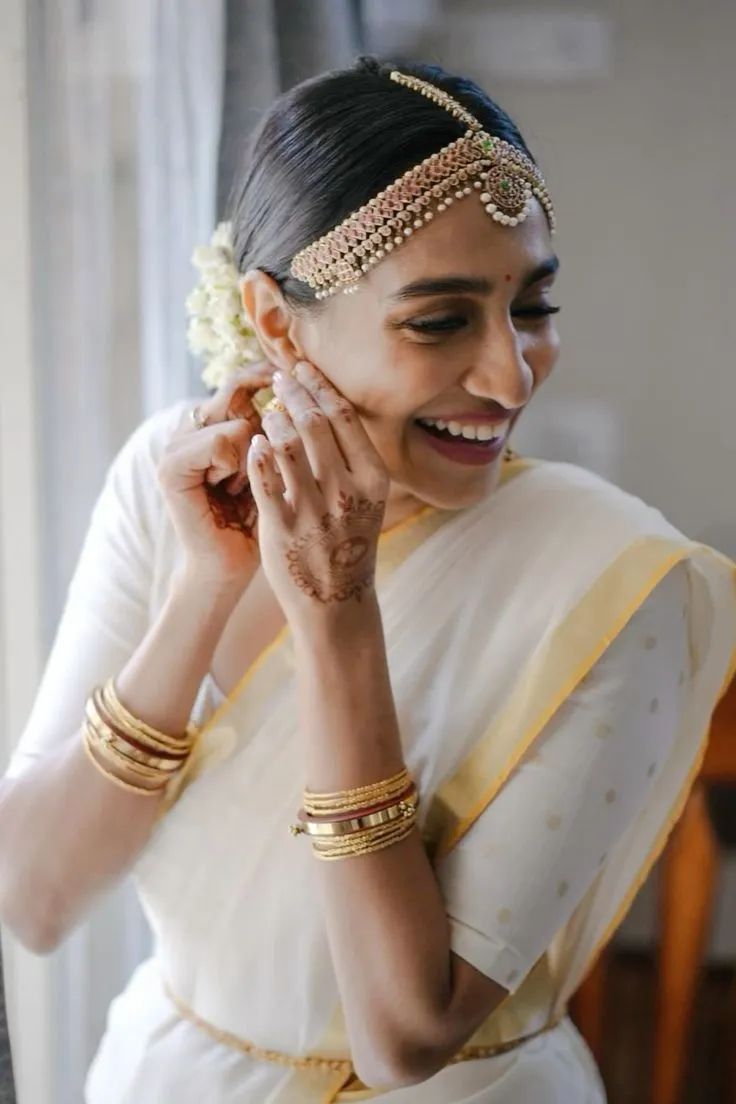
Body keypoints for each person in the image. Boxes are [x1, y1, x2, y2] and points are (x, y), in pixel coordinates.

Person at [0, 57, 733, 1104]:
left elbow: (404, 1035)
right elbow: (32, 902)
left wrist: (339, 619)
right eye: (439, 320)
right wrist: (202, 591)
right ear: (272, 319)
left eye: (533, 304)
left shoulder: (615, 582)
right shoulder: (174, 477)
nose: (510, 374)